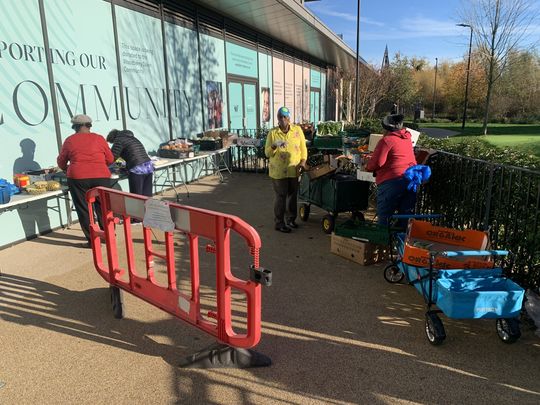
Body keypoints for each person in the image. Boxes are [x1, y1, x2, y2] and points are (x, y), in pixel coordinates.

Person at [57, 114, 114, 247]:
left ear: (74, 127)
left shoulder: (70, 140)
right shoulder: (99, 138)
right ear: (89, 126)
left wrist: (66, 167)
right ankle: (108, 236)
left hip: (78, 177)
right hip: (101, 176)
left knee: (84, 208)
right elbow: (110, 159)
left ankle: (93, 241)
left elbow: (61, 161)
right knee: (104, 206)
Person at [366, 114, 417, 227]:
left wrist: (367, 166)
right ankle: (402, 241)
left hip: (392, 180)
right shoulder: (407, 138)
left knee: (385, 214)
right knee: (405, 215)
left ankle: (382, 242)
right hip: (410, 179)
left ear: (385, 128)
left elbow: (377, 162)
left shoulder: (386, 141)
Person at [265, 106, 308, 233]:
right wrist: (273, 146)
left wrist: (303, 161)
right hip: (278, 171)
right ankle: (279, 223)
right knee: (281, 196)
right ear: (277, 118)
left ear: (289, 118)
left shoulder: (297, 130)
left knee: (293, 195)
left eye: (285, 117)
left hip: (294, 169)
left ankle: (291, 219)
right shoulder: (273, 133)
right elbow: (267, 153)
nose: (283, 119)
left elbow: (303, 148)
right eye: (280, 117)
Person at [107, 129, 154, 197]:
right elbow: (128, 156)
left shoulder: (119, 140)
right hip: (149, 166)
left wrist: (108, 166)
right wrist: (121, 165)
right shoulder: (132, 138)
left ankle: (138, 208)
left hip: (137, 168)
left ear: (113, 138)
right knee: (147, 196)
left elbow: (112, 157)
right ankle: (148, 207)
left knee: (136, 197)